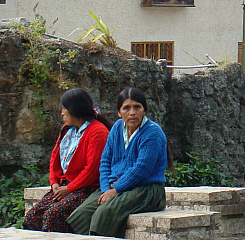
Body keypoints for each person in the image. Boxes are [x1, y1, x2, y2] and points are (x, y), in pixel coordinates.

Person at [67, 87, 168, 237]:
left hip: (146, 190)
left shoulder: (152, 132)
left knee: (104, 213)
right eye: (126, 108)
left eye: (137, 107)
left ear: (144, 110)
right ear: (119, 113)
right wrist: (105, 189)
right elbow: (105, 161)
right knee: (81, 215)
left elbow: (141, 169)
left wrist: (116, 190)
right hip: (115, 187)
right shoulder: (116, 129)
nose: (132, 112)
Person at [23, 88, 111, 232]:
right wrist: (54, 182)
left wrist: (68, 188)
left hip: (86, 188)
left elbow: (92, 170)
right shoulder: (66, 129)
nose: (62, 113)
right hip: (65, 186)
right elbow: (55, 158)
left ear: (75, 109)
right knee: (33, 216)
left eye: (64, 108)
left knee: (53, 215)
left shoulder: (97, 132)